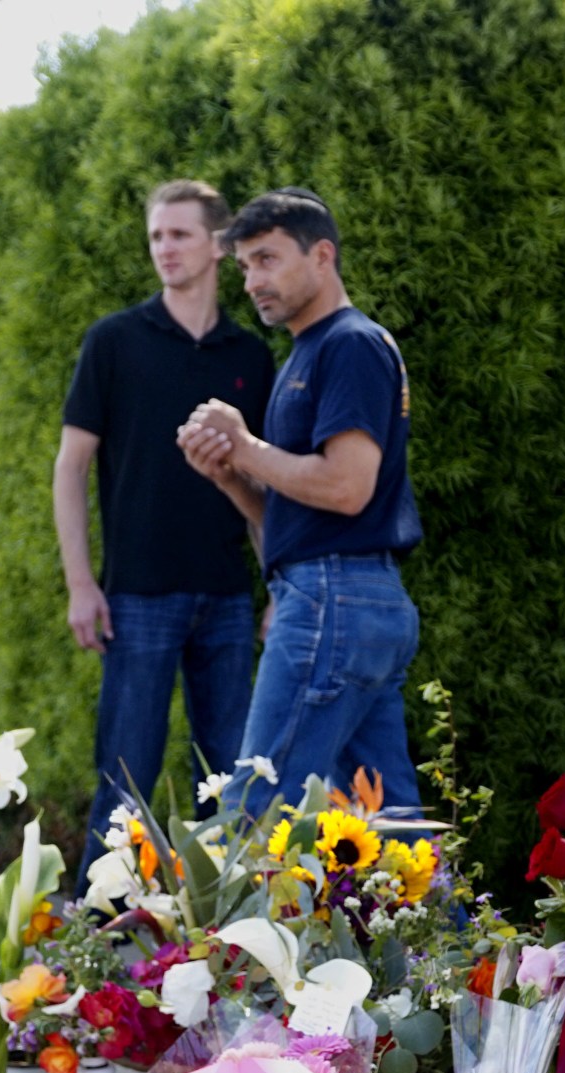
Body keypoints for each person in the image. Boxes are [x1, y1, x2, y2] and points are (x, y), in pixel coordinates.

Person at [178, 188, 423, 815]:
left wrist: (244, 442)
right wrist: (230, 474)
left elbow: (347, 488)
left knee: (255, 811)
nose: (254, 280)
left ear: (322, 255)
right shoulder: (307, 353)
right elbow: (297, 515)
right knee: (389, 833)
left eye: (267, 259)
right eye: (245, 267)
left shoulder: (349, 344)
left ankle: (222, 919)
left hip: (333, 600)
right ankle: (444, 918)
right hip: (347, 596)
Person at [56, 180, 275, 866]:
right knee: (125, 781)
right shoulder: (115, 341)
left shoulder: (250, 356)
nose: (164, 248)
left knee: (233, 783)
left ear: (217, 245)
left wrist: (277, 590)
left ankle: (221, 947)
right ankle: (90, 950)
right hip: (138, 597)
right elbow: (70, 467)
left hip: (229, 601)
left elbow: (266, 483)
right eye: (156, 236)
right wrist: (80, 585)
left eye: (179, 234)